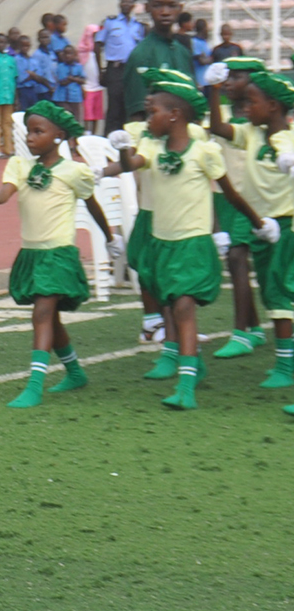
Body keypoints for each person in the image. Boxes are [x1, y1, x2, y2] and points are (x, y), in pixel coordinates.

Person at [104, 70, 271, 410]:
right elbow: (131, 163)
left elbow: (231, 194)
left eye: (152, 112)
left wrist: (256, 223)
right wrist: (121, 154)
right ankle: (192, 364)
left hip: (191, 244)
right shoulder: (151, 146)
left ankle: (185, 387)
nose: (147, 119)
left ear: (175, 115)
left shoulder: (204, 152)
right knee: (170, 305)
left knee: (182, 307)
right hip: (162, 241)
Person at [0, 102, 117, 407]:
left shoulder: (74, 171)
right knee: (51, 318)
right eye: (28, 132)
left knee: (43, 313)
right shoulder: (20, 166)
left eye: (39, 131)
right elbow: (7, 190)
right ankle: (75, 372)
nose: (31, 138)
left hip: (59, 253)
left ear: (59, 136)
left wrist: (110, 237)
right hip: (32, 253)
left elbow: (92, 205)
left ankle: (34, 386)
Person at [203, 59, 292, 365]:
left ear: (272, 105)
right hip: (251, 212)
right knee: (270, 289)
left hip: (284, 221)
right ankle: (255, 336)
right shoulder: (251, 132)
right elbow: (217, 127)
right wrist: (213, 90)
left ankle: (279, 359)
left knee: (280, 293)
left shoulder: (286, 139)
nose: (246, 108)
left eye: (253, 101)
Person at [121, 0, 195, 122]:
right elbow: (137, 115)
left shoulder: (183, 53)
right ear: (147, 8)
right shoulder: (140, 55)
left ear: (180, 8)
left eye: (171, 6)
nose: (165, 12)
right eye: (158, 5)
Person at [94, 0, 147, 134]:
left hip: (133, 71)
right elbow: (97, 44)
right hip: (115, 69)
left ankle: (125, 141)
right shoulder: (110, 22)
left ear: (133, 5)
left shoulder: (139, 26)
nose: (126, 4)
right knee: (114, 107)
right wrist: (101, 71)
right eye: (123, 1)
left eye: (129, 2)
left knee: (129, 105)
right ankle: (108, 140)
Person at [53, 45, 86, 114]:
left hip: (75, 97)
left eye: (70, 53)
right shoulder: (60, 67)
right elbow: (62, 82)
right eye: (66, 54)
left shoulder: (78, 67)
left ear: (75, 55)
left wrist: (72, 79)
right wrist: (75, 78)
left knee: (76, 116)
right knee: (65, 115)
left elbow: (83, 80)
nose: (68, 56)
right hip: (62, 97)